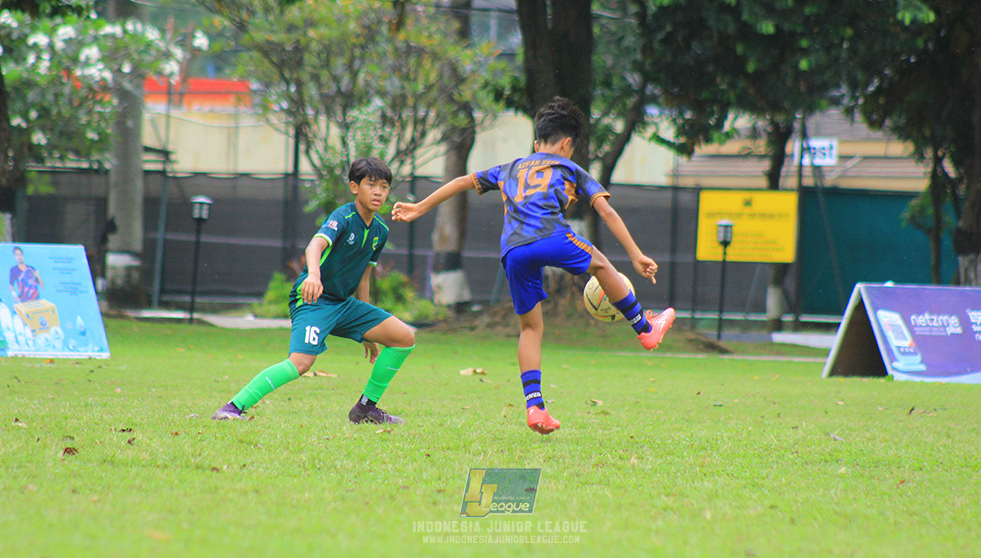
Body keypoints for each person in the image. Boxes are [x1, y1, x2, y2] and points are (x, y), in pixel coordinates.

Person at [392, 97, 675, 435]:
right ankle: (644, 328)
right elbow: (606, 212)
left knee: (530, 329)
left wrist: (419, 208)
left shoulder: (511, 167)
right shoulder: (569, 167)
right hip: (550, 235)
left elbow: (460, 183)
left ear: (536, 141)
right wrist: (636, 255)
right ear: (567, 144)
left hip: (512, 251)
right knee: (600, 263)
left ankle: (535, 408)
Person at [212, 157, 416, 424]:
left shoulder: (380, 230)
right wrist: (313, 276)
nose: (378, 192)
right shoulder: (343, 216)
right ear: (355, 187)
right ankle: (232, 408)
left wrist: (368, 332)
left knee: (404, 337)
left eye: (385, 186)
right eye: (371, 184)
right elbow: (315, 246)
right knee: (301, 364)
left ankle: (366, 409)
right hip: (313, 300)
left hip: (344, 304)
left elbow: (364, 279)